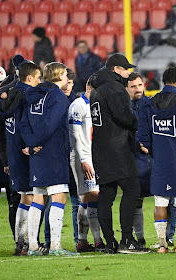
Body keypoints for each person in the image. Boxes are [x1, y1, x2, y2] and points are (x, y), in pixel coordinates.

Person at [90, 53, 149, 254]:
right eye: (125, 69)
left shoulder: (96, 89)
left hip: (100, 149)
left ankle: (110, 242)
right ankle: (126, 240)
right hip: (118, 148)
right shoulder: (115, 88)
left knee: (106, 195)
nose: (128, 73)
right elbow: (124, 117)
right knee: (132, 189)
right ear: (116, 69)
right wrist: (136, 124)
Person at [137, 67, 176, 254]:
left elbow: (143, 134)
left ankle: (162, 245)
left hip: (159, 161)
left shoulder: (148, 104)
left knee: (160, 202)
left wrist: (154, 151)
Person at [20, 62, 77, 256]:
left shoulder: (33, 95)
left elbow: (23, 124)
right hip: (53, 153)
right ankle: (55, 246)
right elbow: (50, 126)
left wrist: (30, 144)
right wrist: (36, 142)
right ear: (59, 75)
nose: (68, 79)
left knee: (38, 198)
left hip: (37, 154)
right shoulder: (58, 97)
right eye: (66, 75)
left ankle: (33, 247)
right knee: (58, 197)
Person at [0, 62, 41, 256]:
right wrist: (34, 144)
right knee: (33, 198)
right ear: (29, 77)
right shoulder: (27, 96)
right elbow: (26, 125)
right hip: (26, 153)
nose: (40, 82)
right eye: (38, 78)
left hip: (13, 155)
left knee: (23, 198)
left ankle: (20, 242)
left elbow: (1, 131)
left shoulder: (6, 98)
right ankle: (31, 243)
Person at [69, 74, 105, 253]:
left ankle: (83, 241)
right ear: (89, 88)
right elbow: (74, 135)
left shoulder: (96, 105)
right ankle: (97, 240)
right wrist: (83, 160)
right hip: (82, 157)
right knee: (94, 195)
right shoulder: (77, 106)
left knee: (87, 197)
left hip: (94, 156)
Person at [126, 72, 152, 248]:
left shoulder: (150, 103)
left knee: (163, 197)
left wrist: (149, 143)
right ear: (126, 88)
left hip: (150, 156)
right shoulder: (122, 106)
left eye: (140, 85)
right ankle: (140, 238)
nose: (138, 89)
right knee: (136, 198)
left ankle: (168, 237)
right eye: (133, 86)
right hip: (131, 158)